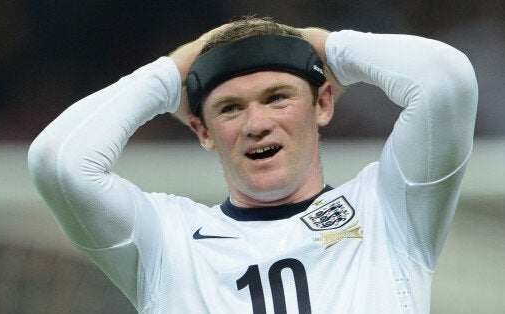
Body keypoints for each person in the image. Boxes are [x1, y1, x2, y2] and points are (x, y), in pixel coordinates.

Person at [28, 16, 477, 313]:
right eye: (228, 108)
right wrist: (170, 75)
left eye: (277, 98)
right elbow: (59, 162)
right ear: (202, 131)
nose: (256, 124)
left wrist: (327, 47)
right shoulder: (166, 240)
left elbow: (445, 79)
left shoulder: (388, 210)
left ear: (323, 103)